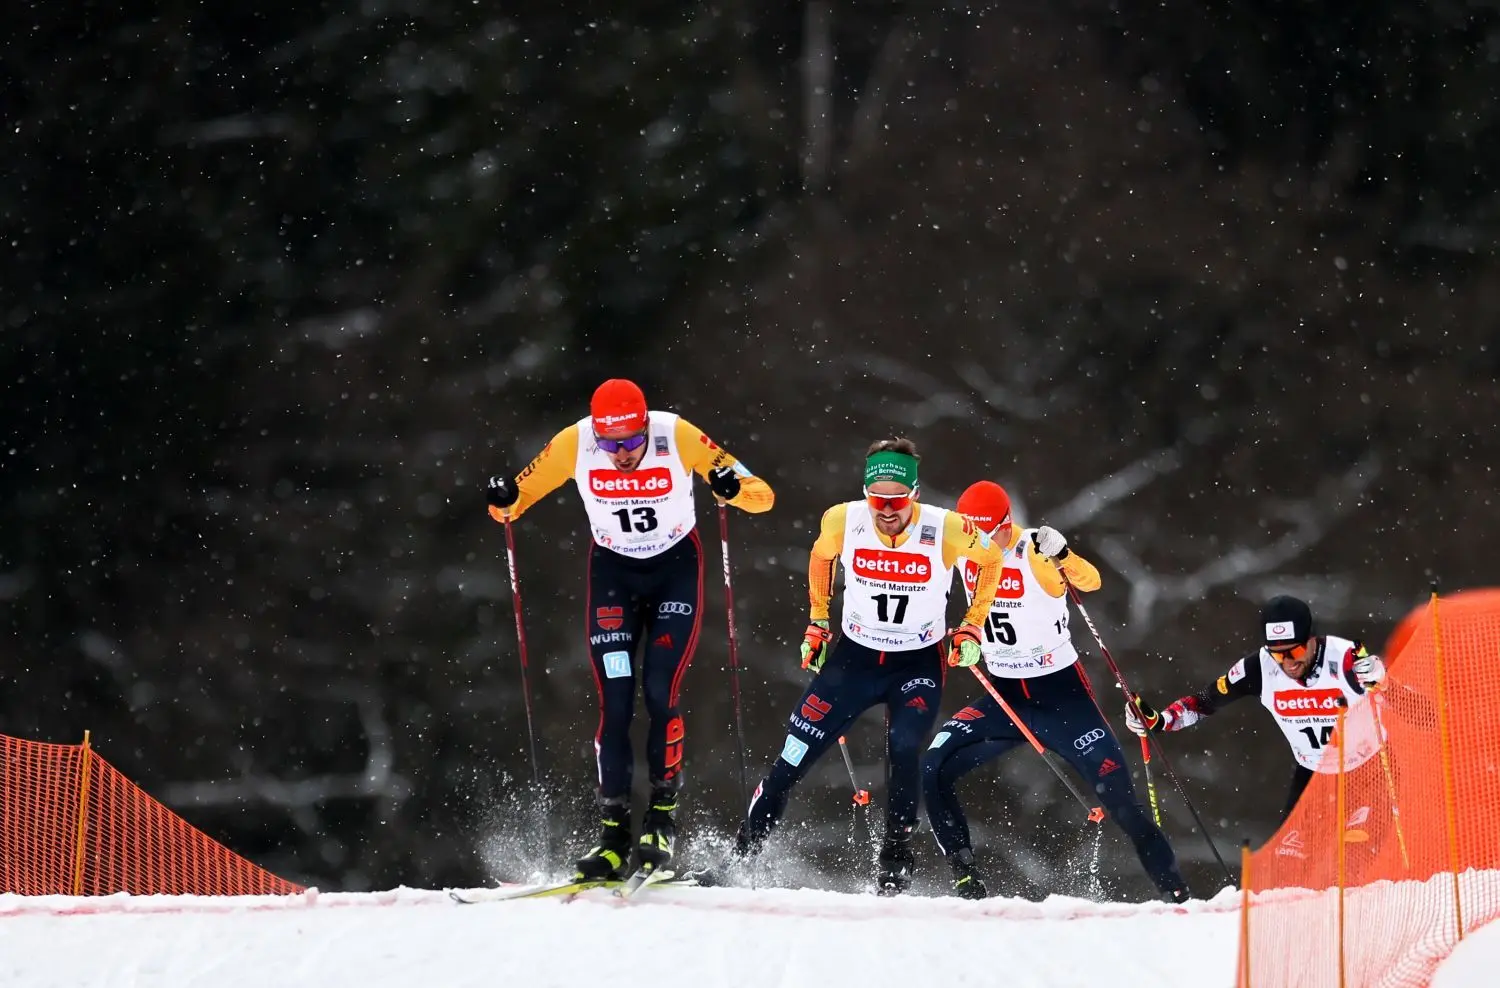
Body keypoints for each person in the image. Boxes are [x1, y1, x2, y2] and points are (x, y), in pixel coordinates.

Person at [485, 378, 774, 881]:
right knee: (615, 700)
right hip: (613, 577)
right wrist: (505, 495)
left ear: (645, 428)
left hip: (674, 571)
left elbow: (761, 495)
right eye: (610, 443)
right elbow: (509, 504)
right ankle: (614, 835)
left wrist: (730, 488)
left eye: (631, 442)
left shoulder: (675, 434)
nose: (621, 454)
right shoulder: (575, 442)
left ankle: (660, 821)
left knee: (660, 689)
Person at [704, 438, 1004, 895]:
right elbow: (821, 556)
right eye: (876, 498)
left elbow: (993, 558)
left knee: (905, 748)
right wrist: (818, 623)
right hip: (855, 659)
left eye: (896, 500)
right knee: (792, 757)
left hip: (916, 664)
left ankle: (894, 864)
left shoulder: (948, 528)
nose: (885, 510)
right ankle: (739, 857)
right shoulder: (843, 518)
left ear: (915, 494)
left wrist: (971, 626)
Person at [921, 481, 1189, 903]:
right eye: (976, 537)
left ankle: (1177, 896)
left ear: (1007, 524)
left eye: (991, 536)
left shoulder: (1033, 552)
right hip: (1005, 697)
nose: (983, 547)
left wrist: (1063, 554)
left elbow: (1092, 580)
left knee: (1121, 801)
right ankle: (965, 879)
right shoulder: (965, 550)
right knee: (934, 765)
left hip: (1061, 696)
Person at [1125, 594, 1387, 823]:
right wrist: (1161, 721)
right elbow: (1203, 703)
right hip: (1312, 772)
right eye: (1277, 653)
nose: (1287, 663)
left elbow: (1417, 712)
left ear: (1311, 640)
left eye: (1294, 652)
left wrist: (1384, 682)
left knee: (1358, 846)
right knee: (1290, 862)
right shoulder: (1259, 668)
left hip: (1369, 768)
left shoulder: (1346, 659)